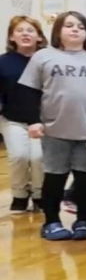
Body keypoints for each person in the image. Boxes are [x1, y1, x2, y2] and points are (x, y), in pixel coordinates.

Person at [19, 11, 86, 241]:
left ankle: (83, 219)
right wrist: (33, 121)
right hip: (55, 129)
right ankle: (52, 221)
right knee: (55, 177)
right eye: (69, 25)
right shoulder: (43, 56)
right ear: (58, 31)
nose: (75, 29)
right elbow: (29, 91)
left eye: (80, 26)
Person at [1, 16, 46, 213]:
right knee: (18, 155)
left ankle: (39, 194)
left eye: (30, 30)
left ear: (39, 37)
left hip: (43, 120)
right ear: (12, 37)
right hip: (13, 119)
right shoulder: (3, 62)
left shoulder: (47, 60)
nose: (25, 34)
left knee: (38, 157)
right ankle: (19, 194)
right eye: (20, 30)